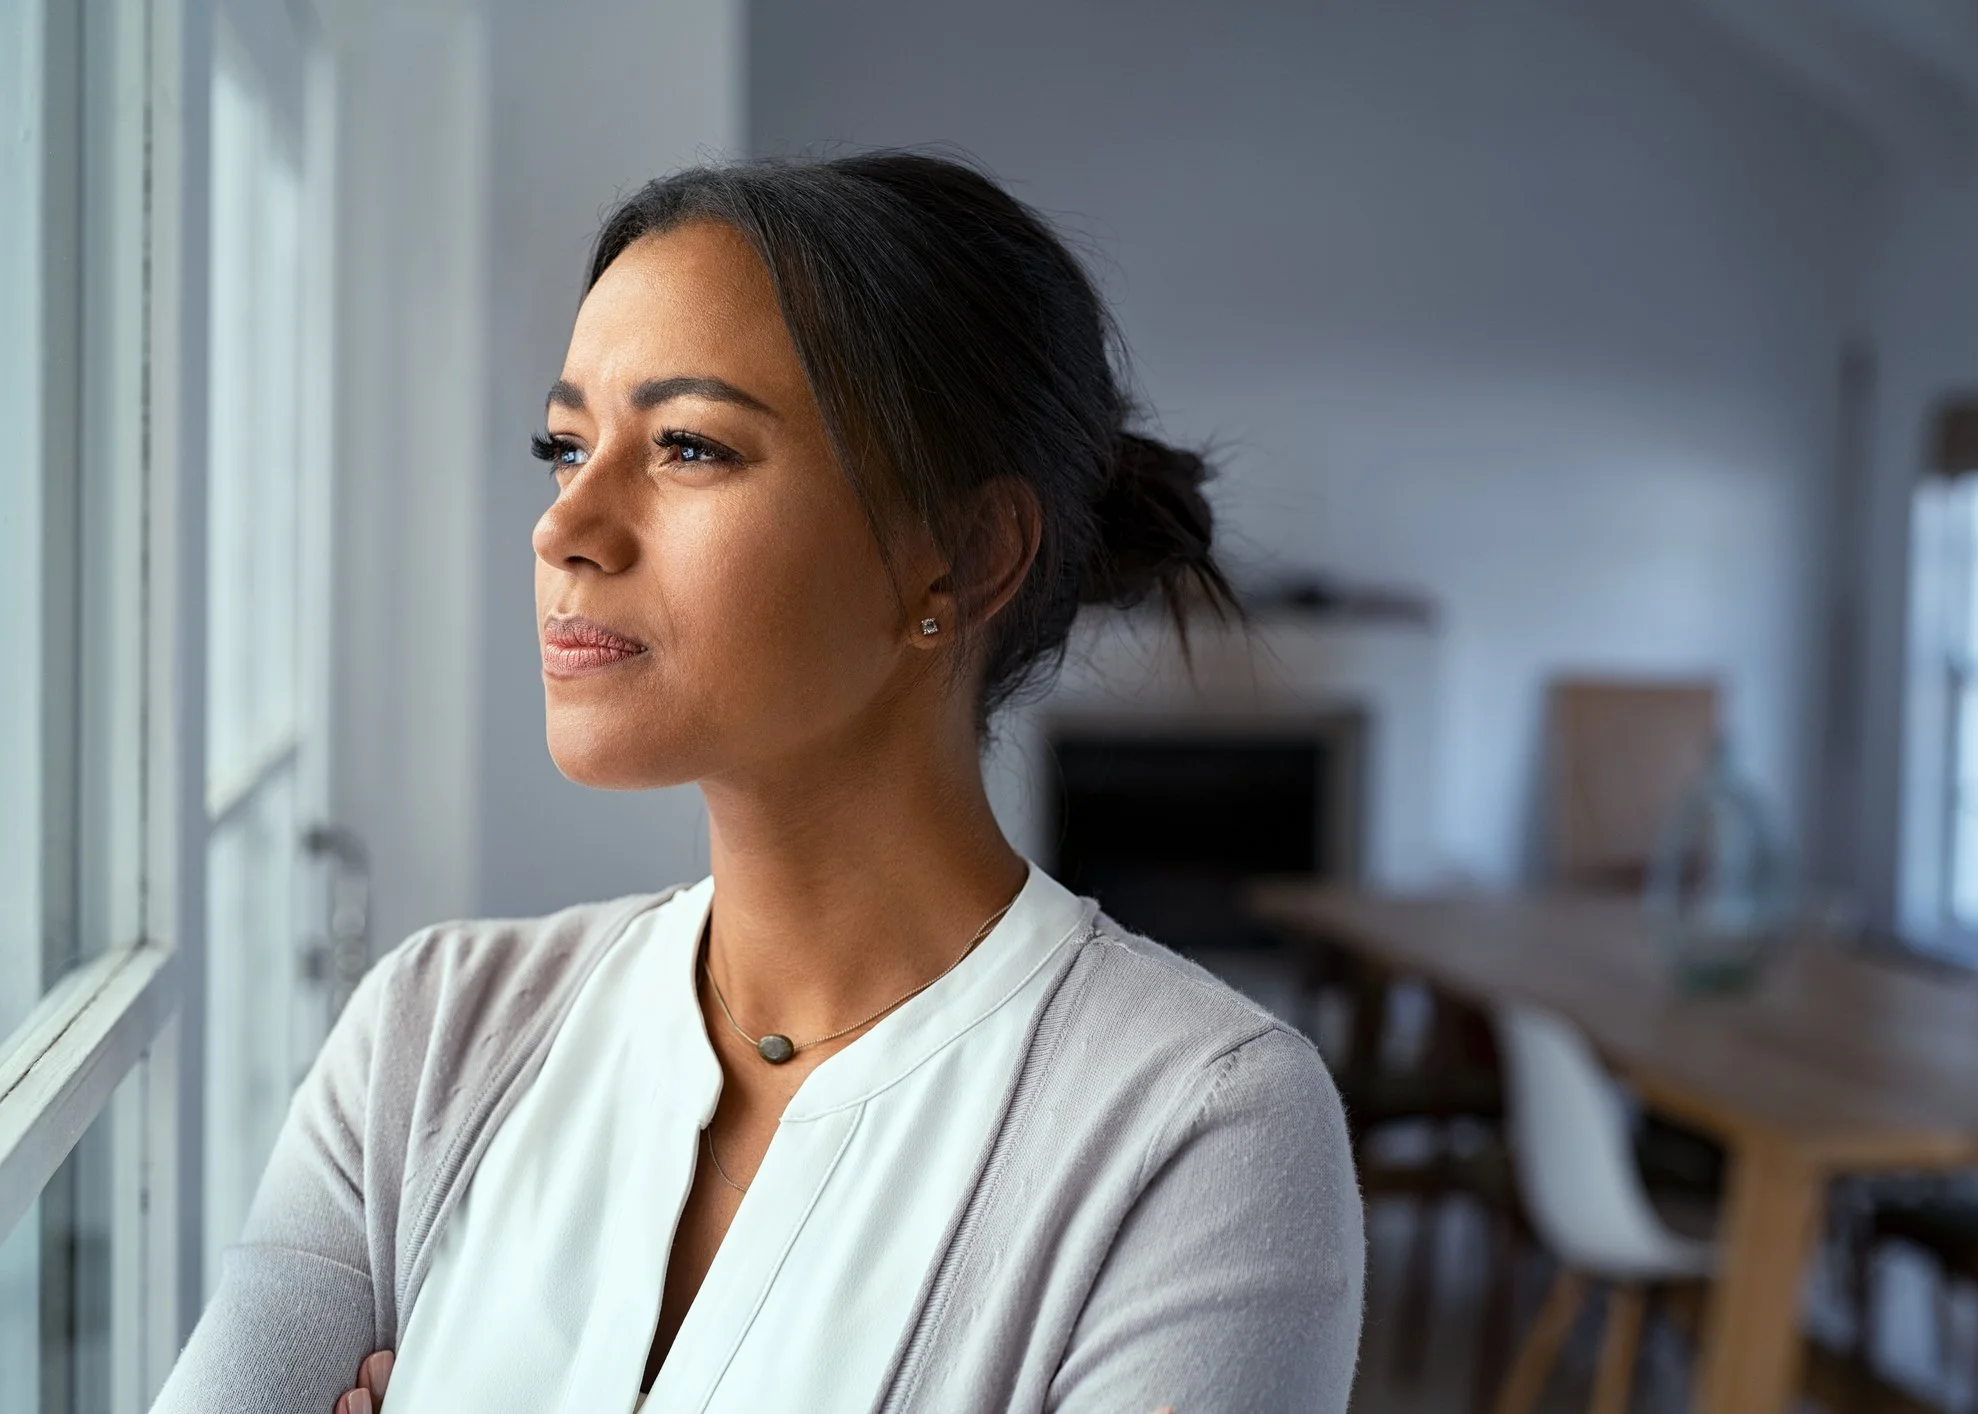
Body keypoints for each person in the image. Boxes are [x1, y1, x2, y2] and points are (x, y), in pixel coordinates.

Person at [151, 151, 1364, 1414]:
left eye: (687, 447)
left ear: (961, 557)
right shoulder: (432, 1035)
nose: (564, 525)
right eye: (565, 445)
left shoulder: (1199, 1133)